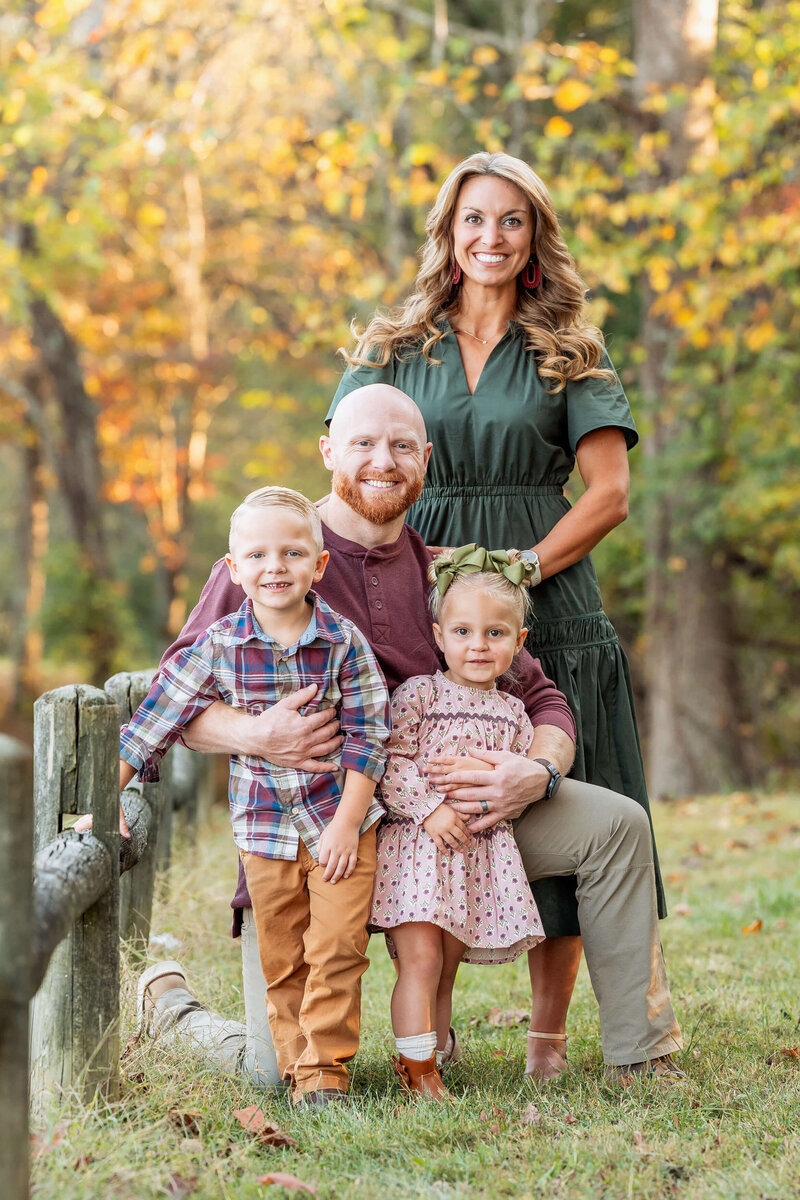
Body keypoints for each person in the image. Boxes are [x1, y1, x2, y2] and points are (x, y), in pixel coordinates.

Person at [137, 385, 684, 1087]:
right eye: (363, 443)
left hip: (450, 829)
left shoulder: (443, 573)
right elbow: (173, 704)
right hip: (321, 839)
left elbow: (543, 696)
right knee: (271, 1075)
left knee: (616, 824)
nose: (382, 462)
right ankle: (173, 1005)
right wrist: (257, 731)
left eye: (401, 446)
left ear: (425, 460)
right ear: (329, 450)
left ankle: (639, 1055)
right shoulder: (268, 561)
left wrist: (538, 772)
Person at [329, 150, 665, 1079]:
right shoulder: (392, 349)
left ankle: (548, 1040)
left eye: (511, 220)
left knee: (559, 802)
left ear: (534, 240)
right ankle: (413, 1030)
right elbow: (350, 472)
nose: (491, 237)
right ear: (448, 232)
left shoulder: (571, 351)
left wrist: (521, 567)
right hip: (416, 596)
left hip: (545, 598)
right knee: (412, 791)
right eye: (473, 219)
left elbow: (609, 493)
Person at [114, 486, 391, 1108]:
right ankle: (296, 1069)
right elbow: (153, 722)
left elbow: (372, 737)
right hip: (264, 832)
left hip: (340, 823)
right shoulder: (218, 646)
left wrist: (348, 824)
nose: (275, 567)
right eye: (258, 555)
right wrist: (111, 793)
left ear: (318, 566)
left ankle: (326, 1073)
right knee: (283, 954)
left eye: (293, 553)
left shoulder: (343, 643)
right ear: (234, 569)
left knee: (338, 947)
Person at [377, 546, 546, 1100]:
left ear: (518, 644)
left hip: (473, 857)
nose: (478, 645)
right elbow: (389, 761)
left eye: (495, 634)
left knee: (447, 963)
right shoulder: (421, 695)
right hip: (420, 848)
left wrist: (507, 802)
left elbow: (519, 787)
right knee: (421, 960)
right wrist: (431, 807)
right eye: (464, 631)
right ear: (439, 635)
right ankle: (417, 1072)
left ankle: (433, 1050)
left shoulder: (515, 714)